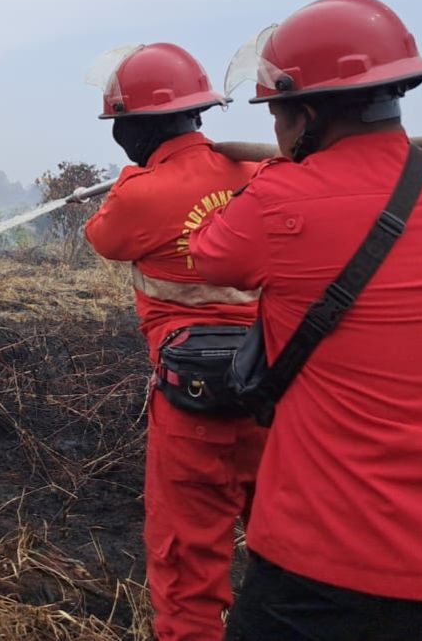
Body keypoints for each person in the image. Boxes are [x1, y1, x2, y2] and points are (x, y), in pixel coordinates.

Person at [190, 0, 422, 640]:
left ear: (301, 114)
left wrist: (283, 172)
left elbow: (208, 254)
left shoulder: (279, 200)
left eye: (276, 112)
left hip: (326, 570)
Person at [83, 43, 268, 641]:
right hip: (276, 391)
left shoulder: (139, 192)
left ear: (133, 127)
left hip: (191, 403)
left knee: (187, 566)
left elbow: (103, 239)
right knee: (288, 549)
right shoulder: (260, 173)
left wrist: (134, 180)